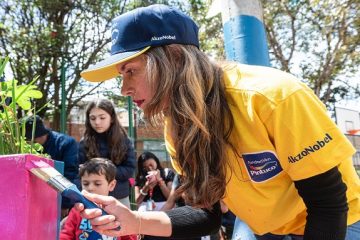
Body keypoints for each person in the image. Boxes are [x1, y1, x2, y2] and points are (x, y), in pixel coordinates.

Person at [75, 4, 360, 240]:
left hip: (339, 219)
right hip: (266, 225)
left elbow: (328, 205)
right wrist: (135, 220)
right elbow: (206, 214)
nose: (124, 88)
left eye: (131, 71)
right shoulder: (177, 127)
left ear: (173, 57)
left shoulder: (273, 96)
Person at [78, 99, 136, 209]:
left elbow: (129, 169)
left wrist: (104, 172)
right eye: (93, 118)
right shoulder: (84, 142)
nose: (97, 122)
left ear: (112, 118)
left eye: (102, 117)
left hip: (119, 197)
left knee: (122, 226)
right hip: (92, 198)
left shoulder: (124, 141)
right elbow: (80, 170)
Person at [60, 158, 136, 240]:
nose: (90, 188)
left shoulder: (117, 211)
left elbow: (129, 236)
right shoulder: (77, 211)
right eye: (85, 183)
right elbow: (66, 235)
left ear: (111, 185)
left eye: (97, 184)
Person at [25, 115, 79, 217]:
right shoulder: (28, 147)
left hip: (60, 198)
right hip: (37, 200)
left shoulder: (66, 144)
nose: (29, 144)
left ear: (40, 136)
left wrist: (64, 204)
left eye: (31, 140)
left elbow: (70, 174)